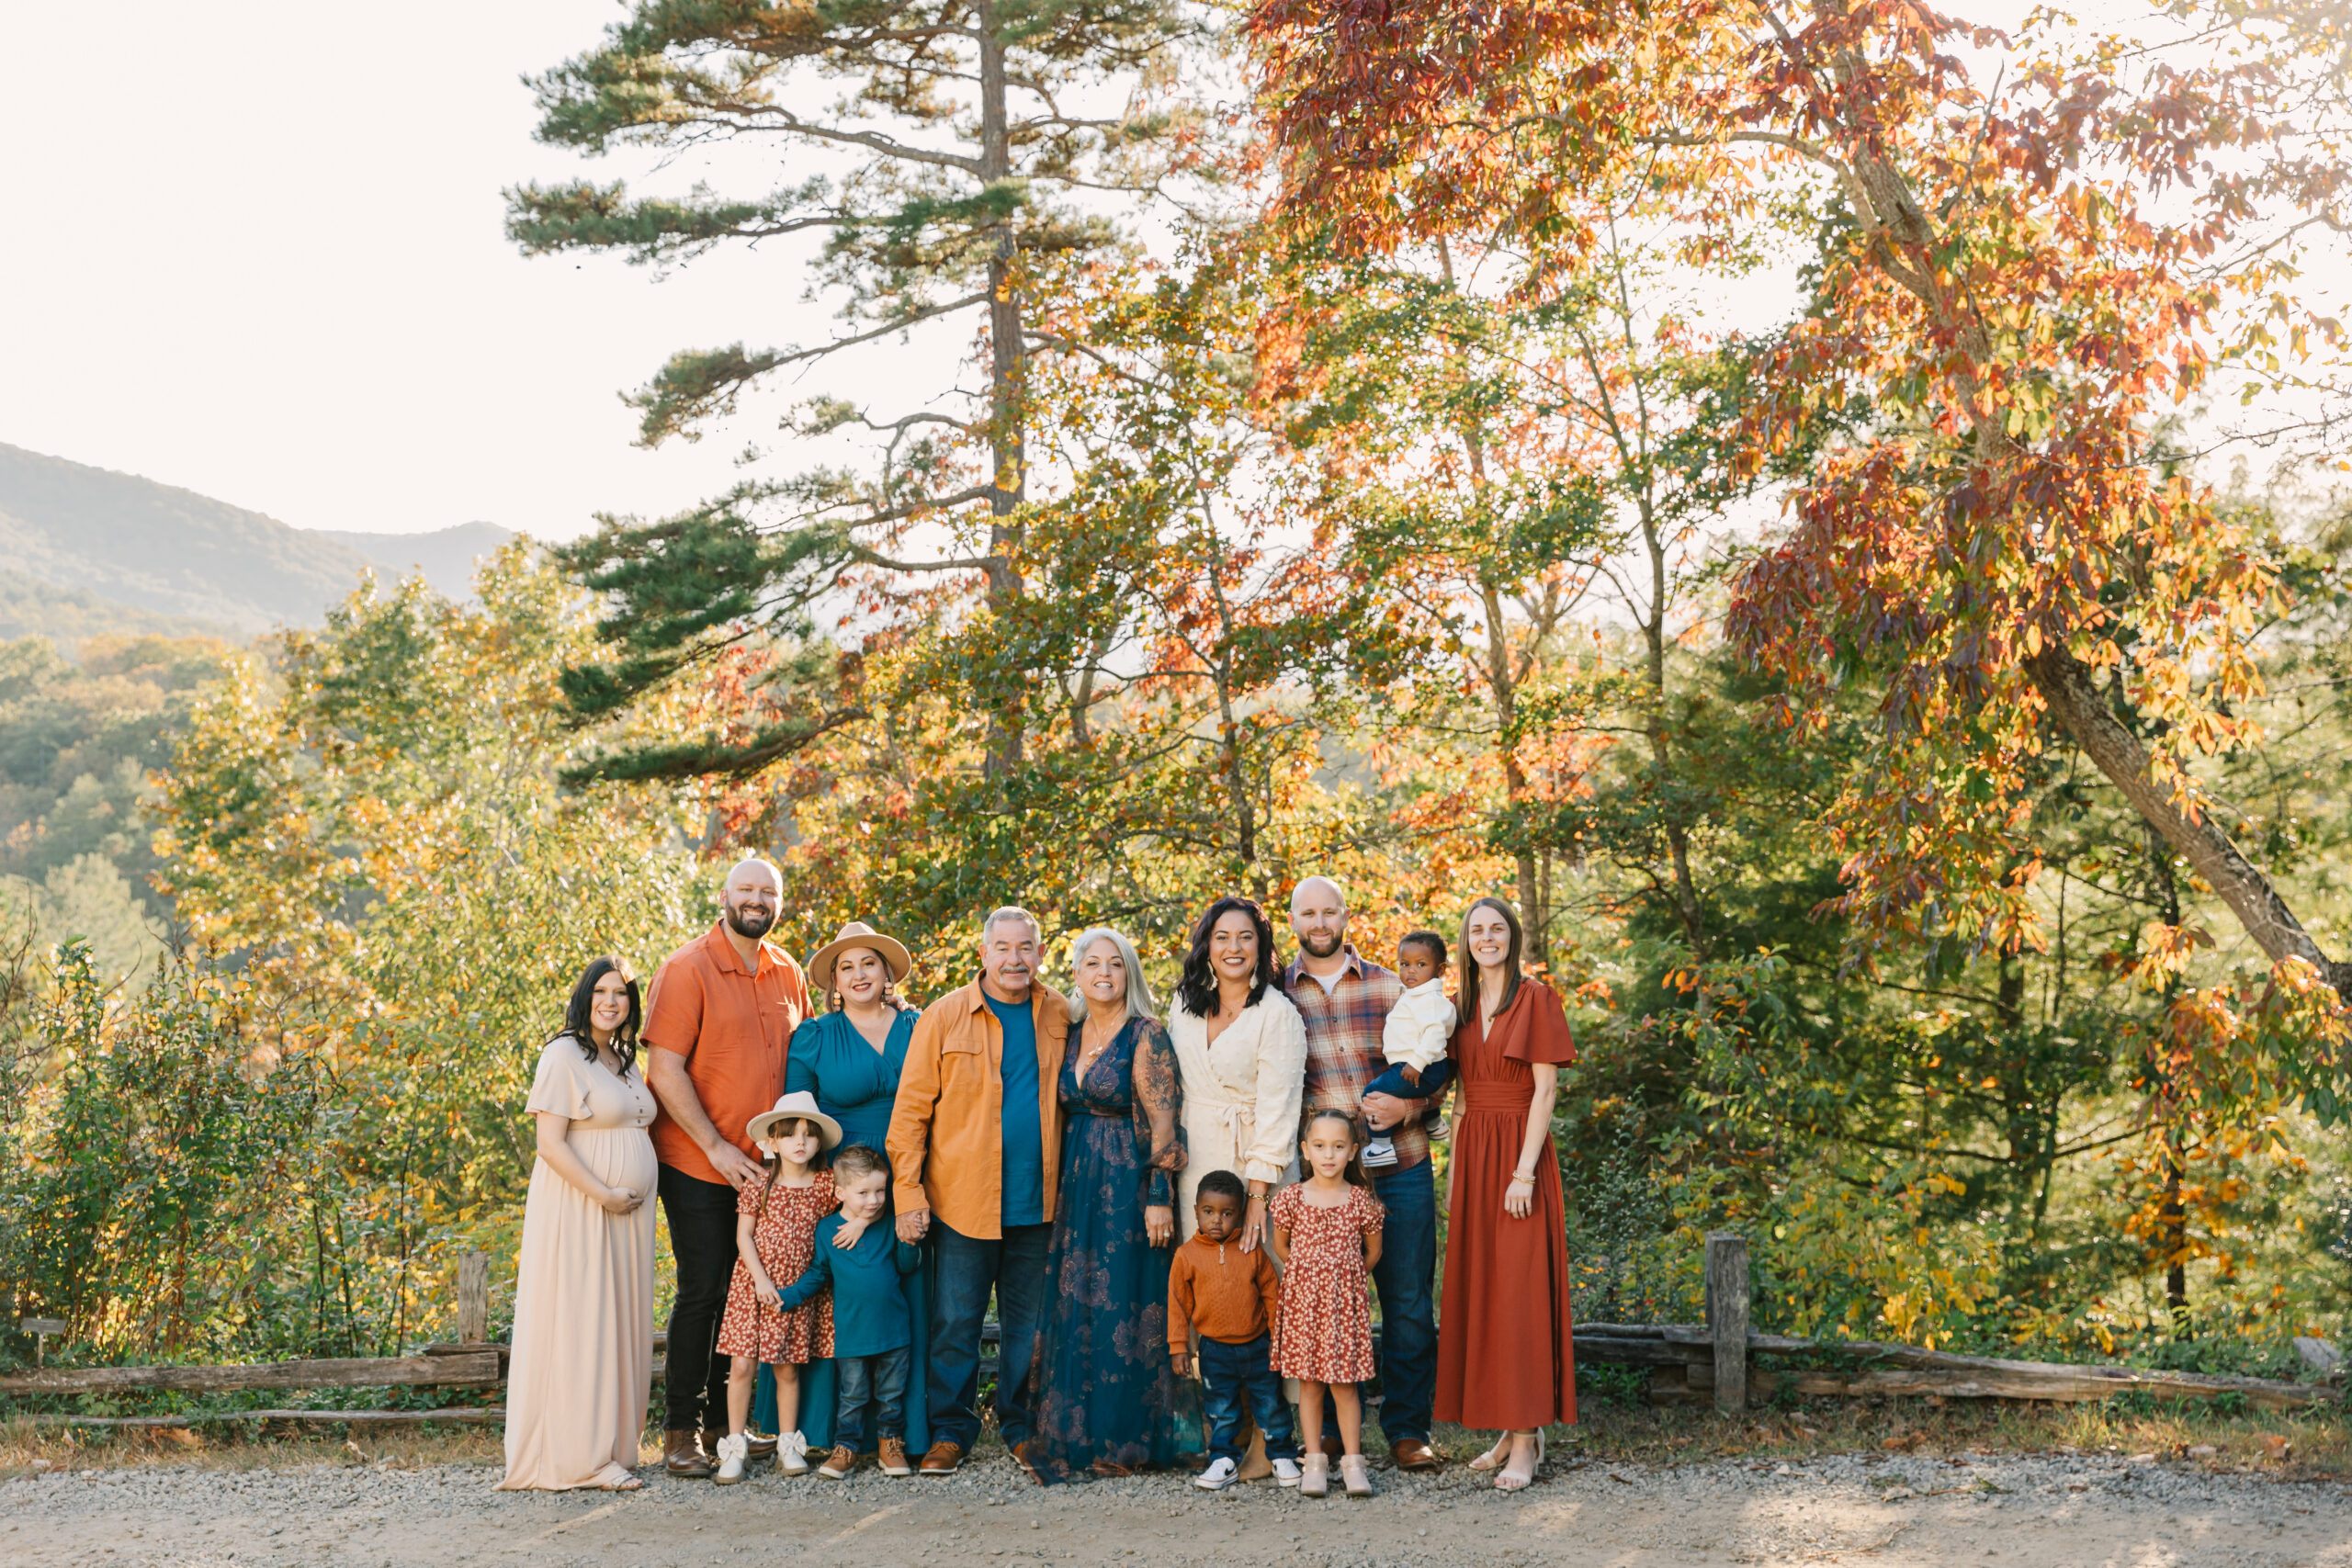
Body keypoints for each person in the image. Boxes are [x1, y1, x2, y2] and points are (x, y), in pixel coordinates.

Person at [643, 858, 814, 1478]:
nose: (756, 898)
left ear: (780, 901)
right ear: (724, 895)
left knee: (745, 1294)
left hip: (766, 1172)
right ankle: (681, 1430)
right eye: (746, 888)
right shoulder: (687, 968)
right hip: (698, 1161)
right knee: (704, 1289)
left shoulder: (788, 971)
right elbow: (664, 1069)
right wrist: (716, 1145)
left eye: (767, 890)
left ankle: (728, 1429)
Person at [887, 907, 1068, 1477]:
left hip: (1039, 1204)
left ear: (1040, 953)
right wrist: (908, 1196)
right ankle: (950, 1432)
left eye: (1026, 948)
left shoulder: (1061, 1013)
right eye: (1004, 948)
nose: (1015, 959)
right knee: (954, 1324)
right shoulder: (942, 1017)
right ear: (983, 955)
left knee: (1029, 1327)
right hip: (961, 1202)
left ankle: (1020, 1428)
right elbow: (910, 1115)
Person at [1279, 874, 1445, 1472]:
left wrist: (1415, 1106)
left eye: (1329, 911)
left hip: (1400, 1165)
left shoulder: (1391, 984)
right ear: (1293, 919)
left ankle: (1406, 1428)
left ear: (1345, 914)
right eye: (1308, 913)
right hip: (1324, 1182)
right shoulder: (1277, 996)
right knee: (1320, 1304)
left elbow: (1434, 1061)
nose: (1319, 922)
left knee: (1405, 1301)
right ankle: (1322, 1435)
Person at [1022, 928, 1192, 1482]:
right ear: (1075, 973)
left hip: (1128, 1182)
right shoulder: (1067, 1034)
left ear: (1129, 973)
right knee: (1080, 1302)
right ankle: (1081, 1434)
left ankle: (1132, 1440)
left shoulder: (1147, 1034)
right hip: (1075, 1181)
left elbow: (1165, 1122)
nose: (1102, 973)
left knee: (1128, 1302)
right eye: (1091, 963)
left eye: (1114, 964)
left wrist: (1160, 1195)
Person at [1435, 895, 1577, 1492]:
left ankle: (1527, 1440)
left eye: (1496, 928)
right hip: (1474, 1155)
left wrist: (1523, 1172)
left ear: (1512, 937)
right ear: (1466, 940)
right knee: (1485, 1291)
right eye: (1476, 929)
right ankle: (1507, 1425)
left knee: (1519, 1293)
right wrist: (1452, 1173)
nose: (1486, 938)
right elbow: (1463, 1096)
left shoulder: (1536, 997)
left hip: (1521, 1155)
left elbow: (1545, 1091)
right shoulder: (1459, 1007)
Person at [499, 956, 659, 1492]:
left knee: (618, 1322)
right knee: (583, 1322)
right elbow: (550, 1145)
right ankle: (579, 1459)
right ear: (585, 996)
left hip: (625, 1218)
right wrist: (605, 1194)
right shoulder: (564, 1053)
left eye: (622, 994)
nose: (612, 1002)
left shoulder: (623, 1058)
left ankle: (612, 1447)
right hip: (583, 1207)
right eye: (602, 992)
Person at [771, 920, 930, 1456]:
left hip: (911, 1176)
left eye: (869, 962)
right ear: (833, 981)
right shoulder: (813, 1037)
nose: (859, 974)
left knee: (903, 1291)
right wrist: (842, 1206)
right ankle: (825, 1435)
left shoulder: (919, 1026)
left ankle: (899, 1433)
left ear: (887, 971)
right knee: (839, 1295)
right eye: (847, 966)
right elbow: (798, 1120)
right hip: (839, 1181)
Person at [772, 1145, 926, 1480]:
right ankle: (847, 1448)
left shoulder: (886, 1224)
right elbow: (818, 1273)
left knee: (891, 1395)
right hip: (852, 1332)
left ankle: (890, 1445)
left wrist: (910, 1242)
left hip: (894, 1330)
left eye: (880, 1191)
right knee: (853, 1395)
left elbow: (905, 1267)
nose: (874, 1201)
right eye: (864, 1193)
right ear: (840, 1192)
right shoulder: (827, 1230)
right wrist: (788, 1296)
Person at [712, 1094, 842, 1483]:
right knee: (741, 1366)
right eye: (789, 1135)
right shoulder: (759, 1183)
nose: (800, 1142)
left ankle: (788, 1444)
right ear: (772, 1142)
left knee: (786, 1369)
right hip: (753, 1287)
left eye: (808, 1134)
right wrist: (762, 1280)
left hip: (795, 1292)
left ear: (819, 1142)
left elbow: (853, 1208)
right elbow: (744, 1237)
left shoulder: (824, 1185)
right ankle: (736, 1447)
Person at [1166, 897, 1306, 1249]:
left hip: (1256, 1167)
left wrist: (1258, 1196)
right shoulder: (1184, 1005)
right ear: (1207, 944)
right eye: (1222, 936)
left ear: (1260, 944)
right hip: (1194, 1160)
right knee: (1200, 1270)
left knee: (1254, 1275)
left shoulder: (1278, 1013)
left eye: (1245, 936)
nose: (1234, 947)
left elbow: (1279, 1110)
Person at [1268, 1108, 1384, 1500]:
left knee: (1345, 1385)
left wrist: (1343, 1277)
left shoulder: (1362, 1202)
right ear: (1306, 1150)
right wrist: (1311, 1274)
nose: (1328, 1155)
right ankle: (1314, 1460)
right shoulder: (1290, 1200)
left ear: (1352, 1151)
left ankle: (1353, 1462)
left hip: (1344, 1308)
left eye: (1338, 1146)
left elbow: (1372, 1253)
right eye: (1319, 1146)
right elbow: (1282, 1247)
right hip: (1303, 1306)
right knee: (1310, 1385)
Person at [1169, 1170, 1299, 1493]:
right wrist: (1178, 1347)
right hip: (1215, 1349)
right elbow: (1177, 1304)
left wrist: (1277, 1337)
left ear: (1239, 1214)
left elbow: (1272, 1293)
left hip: (1258, 1345)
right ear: (1196, 1209)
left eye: (1227, 1214)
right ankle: (1223, 1460)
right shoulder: (1186, 1256)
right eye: (1209, 1212)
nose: (1217, 1221)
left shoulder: (1251, 1250)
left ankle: (1282, 1455)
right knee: (1221, 1406)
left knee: (1270, 1403)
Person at [1362, 931, 1456, 1170]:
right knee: (1407, 1091)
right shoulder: (1416, 995)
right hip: (1419, 1065)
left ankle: (1381, 1147)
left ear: (1440, 969)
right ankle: (1434, 1121)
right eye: (1405, 964)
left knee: (1373, 1091)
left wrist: (1417, 1063)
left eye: (1421, 964)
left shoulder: (1430, 1000)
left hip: (1420, 1066)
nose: (1410, 971)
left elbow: (1435, 1033)